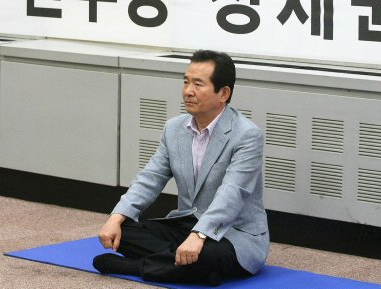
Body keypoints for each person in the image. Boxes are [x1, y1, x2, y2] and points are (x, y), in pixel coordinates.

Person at [93, 50, 269, 286]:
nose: (188, 91)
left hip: (234, 233)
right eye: (186, 82)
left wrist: (200, 234)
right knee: (123, 231)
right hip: (186, 224)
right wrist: (116, 216)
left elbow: (232, 194)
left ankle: (135, 266)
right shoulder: (174, 129)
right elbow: (150, 178)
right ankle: (188, 266)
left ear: (224, 93)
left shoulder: (247, 135)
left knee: (209, 255)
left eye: (198, 84)